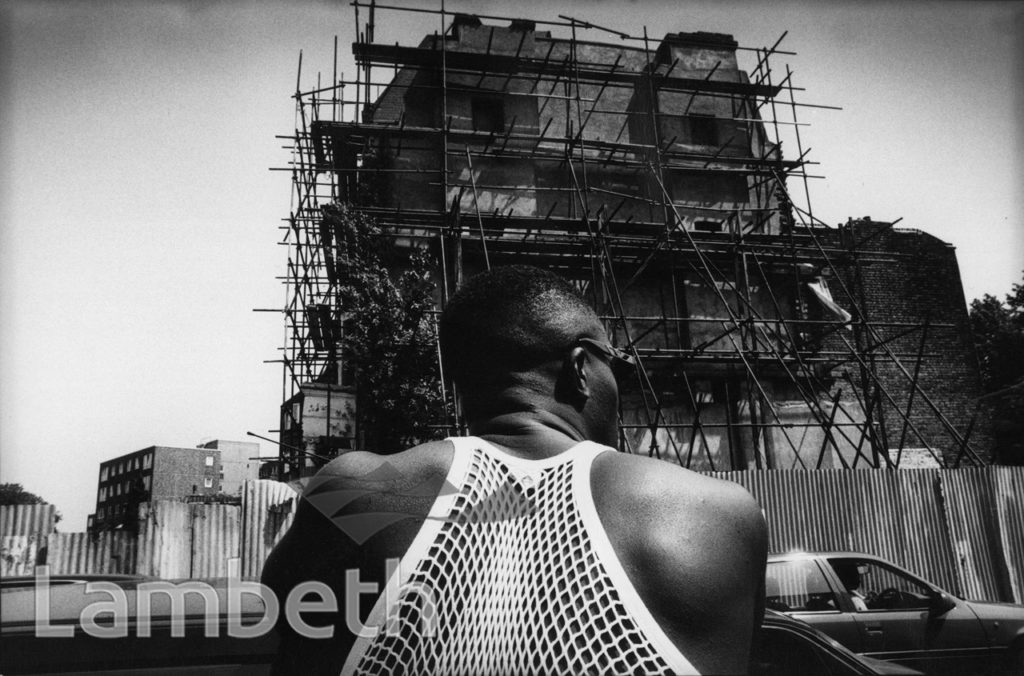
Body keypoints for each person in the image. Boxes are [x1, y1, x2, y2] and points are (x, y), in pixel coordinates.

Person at [262, 264, 768, 675]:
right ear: (579, 369)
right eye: (616, 364)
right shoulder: (715, 513)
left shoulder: (352, 490)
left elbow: (288, 636)